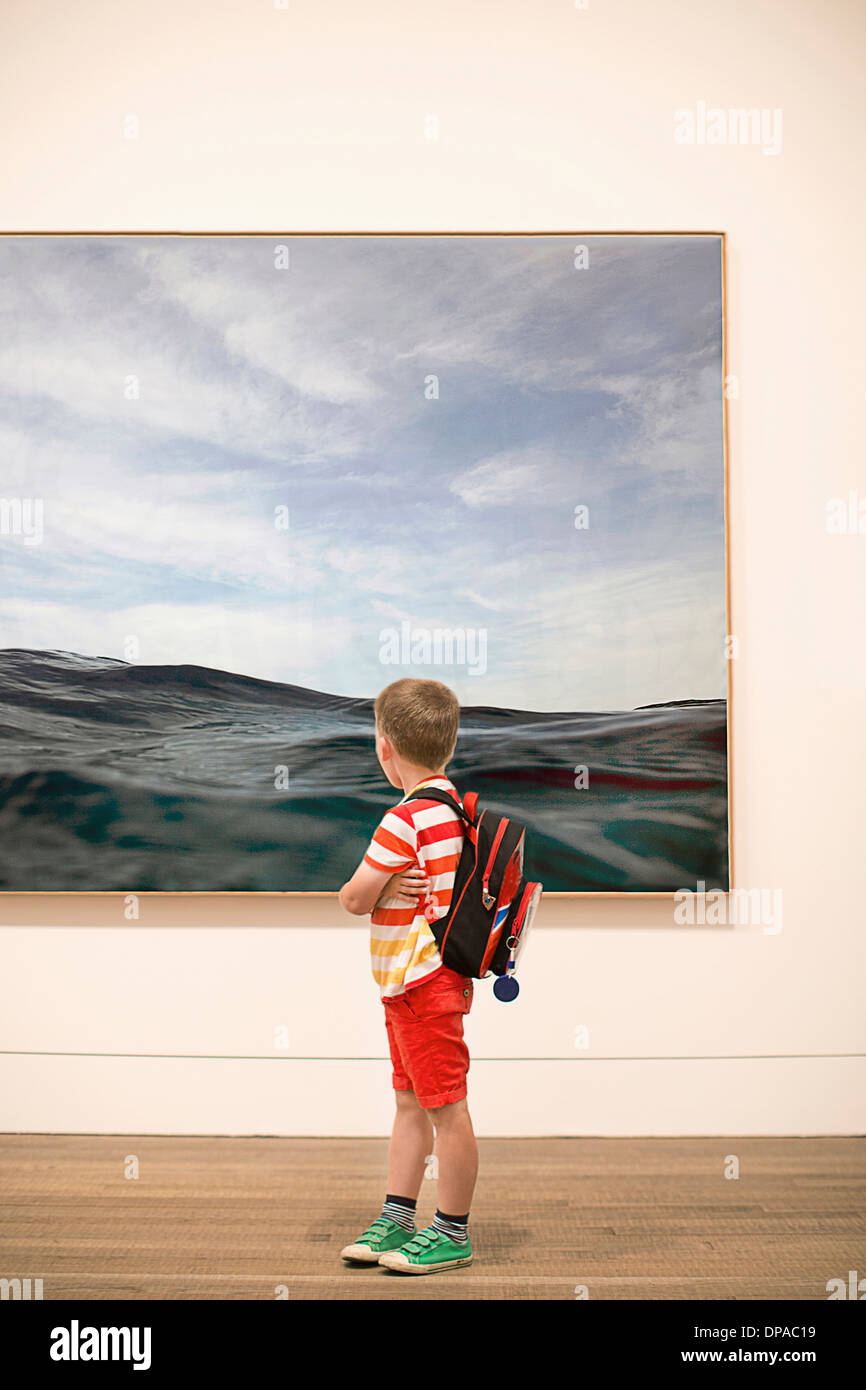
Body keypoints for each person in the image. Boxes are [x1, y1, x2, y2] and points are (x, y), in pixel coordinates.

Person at [338, 677, 477, 1274]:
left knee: (444, 1108)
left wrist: (383, 885)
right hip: (423, 982)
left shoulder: (403, 820)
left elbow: (352, 899)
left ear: (384, 748)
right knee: (412, 1103)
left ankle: (452, 1232)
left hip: (418, 983)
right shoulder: (455, 810)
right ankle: (398, 1217)